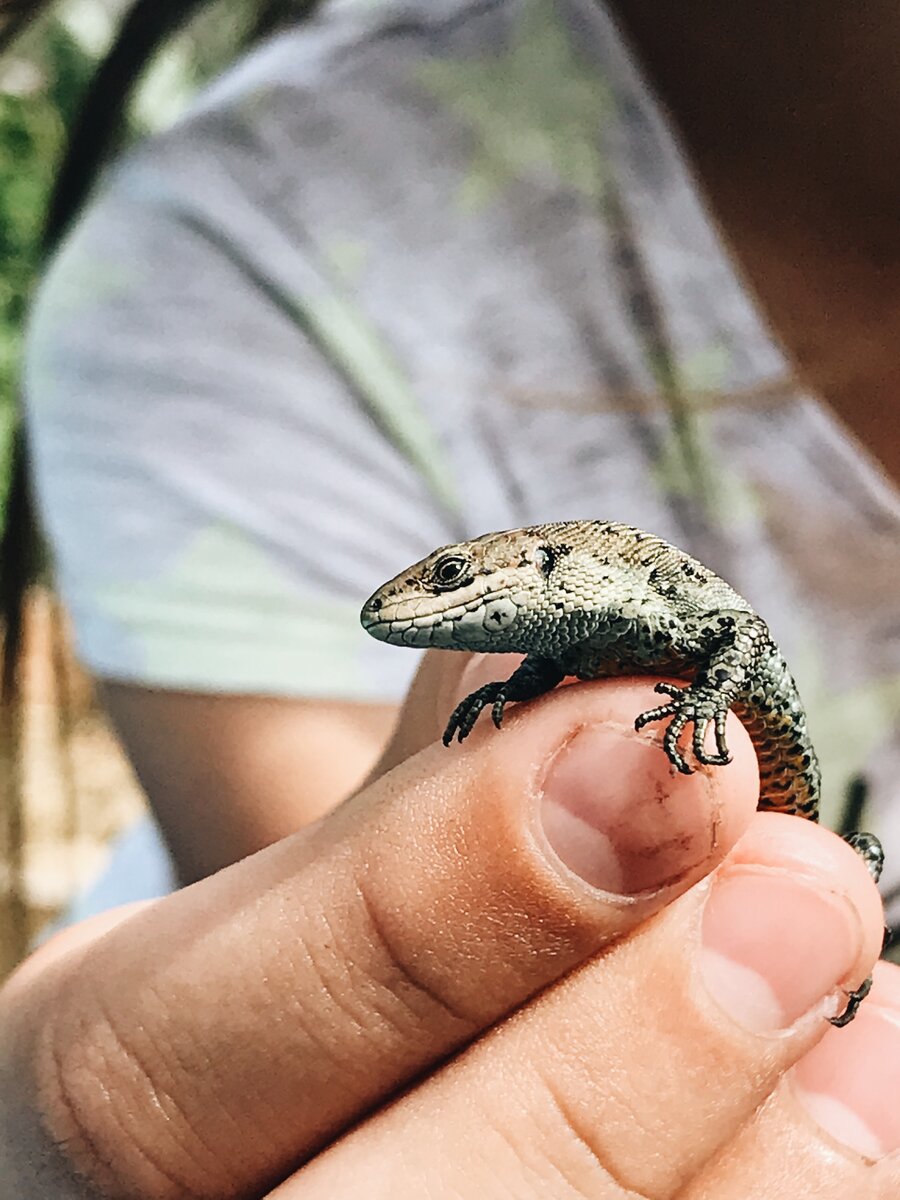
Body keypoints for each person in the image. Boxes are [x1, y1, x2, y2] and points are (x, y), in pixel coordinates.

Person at [2, 0, 899, 1194]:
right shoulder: (237, 265)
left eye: (453, 583)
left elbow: (727, 636)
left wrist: (697, 715)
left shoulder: (621, 584)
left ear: (530, 569)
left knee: (840, 862)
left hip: (776, 807)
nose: (420, 608)